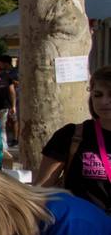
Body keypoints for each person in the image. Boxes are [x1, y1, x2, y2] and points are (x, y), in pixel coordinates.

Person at [36, 67, 111, 214]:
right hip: (82, 230)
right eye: (97, 95)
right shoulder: (71, 135)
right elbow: (41, 190)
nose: (104, 101)